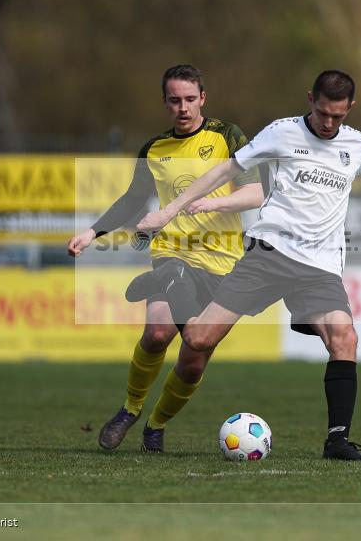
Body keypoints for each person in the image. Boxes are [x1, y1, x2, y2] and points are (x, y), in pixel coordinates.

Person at [137, 70, 361, 460]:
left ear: (350, 109)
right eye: (323, 113)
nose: (328, 123)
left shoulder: (356, 144)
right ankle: (168, 295)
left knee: (345, 339)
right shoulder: (282, 132)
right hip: (269, 254)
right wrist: (169, 210)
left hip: (319, 267)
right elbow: (226, 170)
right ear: (310, 99)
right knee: (198, 340)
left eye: (338, 116)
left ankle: (337, 441)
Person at [67, 64, 264, 452]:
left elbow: (256, 193)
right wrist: (92, 232)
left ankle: (155, 425)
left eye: (190, 99)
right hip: (173, 253)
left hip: (223, 267)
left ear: (203, 98)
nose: (183, 108)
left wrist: (213, 201)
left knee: (193, 359)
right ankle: (130, 408)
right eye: (174, 101)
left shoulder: (228, 136)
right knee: (158, 333)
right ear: (165, 103)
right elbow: (133, 200)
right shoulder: (155, 149)